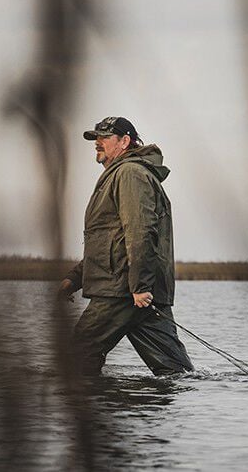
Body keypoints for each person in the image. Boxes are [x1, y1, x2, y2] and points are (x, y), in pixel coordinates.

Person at [59, 116, 194, 376]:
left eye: (104, 137)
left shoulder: (130, 174)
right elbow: (109, 242)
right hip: (137, 291)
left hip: (123, 292)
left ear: (124, 141)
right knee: (176, 373)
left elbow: (140, 231)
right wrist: (74, 279)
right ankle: (165, 414)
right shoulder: (121, 175)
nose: (97, 143)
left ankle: (94, 409)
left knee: (75, 361)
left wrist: (140, 286)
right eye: (95, 138)